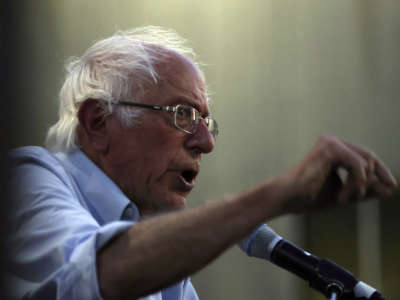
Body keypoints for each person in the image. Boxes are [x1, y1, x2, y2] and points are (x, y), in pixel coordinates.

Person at [6, 26, 397, 300]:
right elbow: (98, 275)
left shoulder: (152, 240)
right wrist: (278, 194)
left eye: (205, 122)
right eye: (182, 114)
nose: (205, 143)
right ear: (98, 122)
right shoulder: (25, 181)